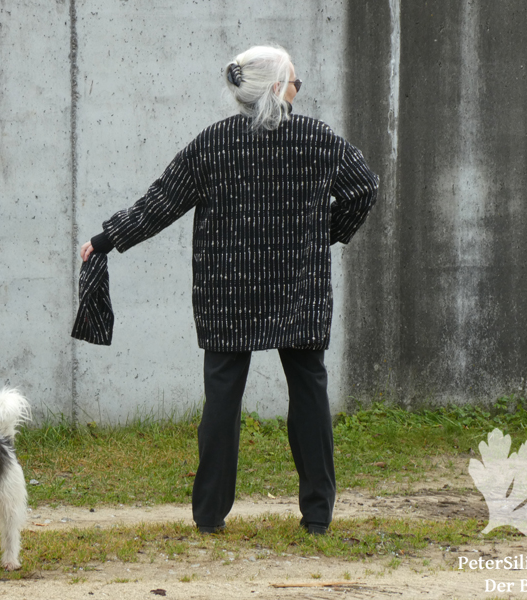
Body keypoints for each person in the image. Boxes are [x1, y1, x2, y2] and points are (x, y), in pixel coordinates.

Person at [77, 45, 379, 535]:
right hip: (297, 287)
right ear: (277, 88)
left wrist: (106, 238)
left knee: (221, 399)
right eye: (295, 82)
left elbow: (160, 202)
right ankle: (318, 516)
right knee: (309, 392)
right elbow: (364, 186)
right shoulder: (319, 140)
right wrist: (324, 234)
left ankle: (209, 515)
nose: (298, 91)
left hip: (227, 291)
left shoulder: (213, 143)